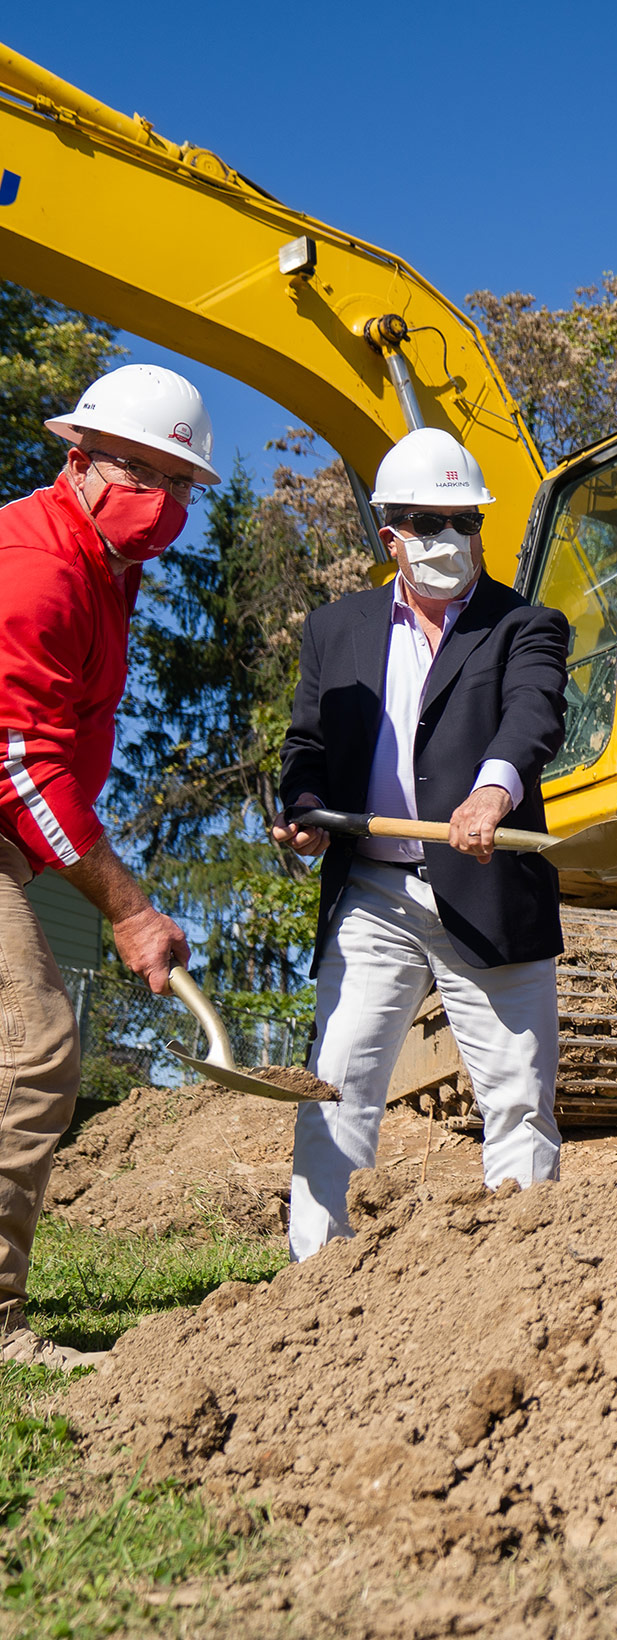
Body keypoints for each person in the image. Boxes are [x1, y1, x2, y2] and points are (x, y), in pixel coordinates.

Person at [272, 428, 570, 1260]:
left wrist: (492, 787)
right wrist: (303, 805)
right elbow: (308, 743)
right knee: (338, 1087)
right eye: (425, 522)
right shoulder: (337, 628)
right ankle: (319, 1277)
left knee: (516, 1094)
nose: (448, 539)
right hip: (372, 892)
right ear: (388, 535)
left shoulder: (525, 623)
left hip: (486, 890)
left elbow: (534, 713)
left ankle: (520, 1268)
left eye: (462, 521)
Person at [0, 365, 208, 1366]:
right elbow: (19, 762)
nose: (161, 503)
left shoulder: (101, 569)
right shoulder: (37, 565)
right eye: (140, 472)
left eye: (181, 485)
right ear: (76, 461)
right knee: (33, 1047)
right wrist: (129, 910)